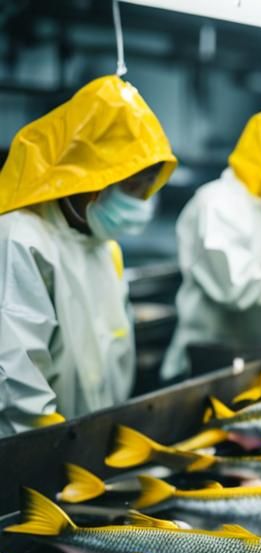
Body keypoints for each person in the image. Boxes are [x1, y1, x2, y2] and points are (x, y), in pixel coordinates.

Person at [0, 76, 176, 436]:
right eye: (131, 185)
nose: (139, 201)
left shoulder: (103, 246)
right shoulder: (20, 239)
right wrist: (47, 436)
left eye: (146, 187)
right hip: (28, 454)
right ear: (87, 178)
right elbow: (14, 369)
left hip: (88, 443)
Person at [161, 107, 261, 380]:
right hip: (205, 361)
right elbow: (235, 288)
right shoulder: (216, 203)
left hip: (254, 356)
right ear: (258, 162)